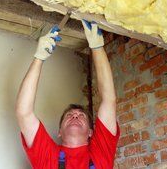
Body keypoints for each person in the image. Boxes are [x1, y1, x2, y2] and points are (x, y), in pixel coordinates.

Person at [15, 20, 120, 169]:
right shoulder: (47, 155)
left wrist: (97, 47)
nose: (75, 116)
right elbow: (23, 112)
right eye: (69, 116)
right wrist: (39, 58)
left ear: (91, 132)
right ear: (59, 132)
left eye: (81, 115)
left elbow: (109, 100)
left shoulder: (101, 152)